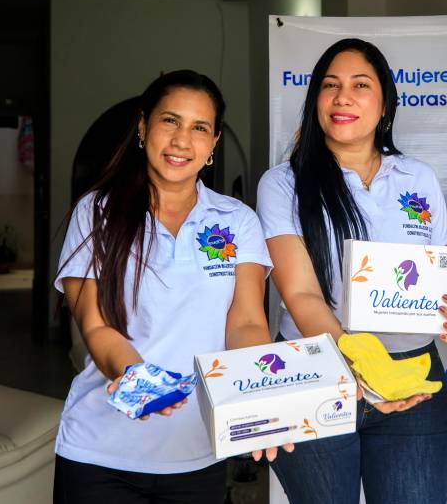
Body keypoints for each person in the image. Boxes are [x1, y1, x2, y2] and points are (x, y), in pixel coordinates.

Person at [53, 70, 286, 503]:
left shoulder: (238, 221)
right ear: (143, 128)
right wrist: (137, 378)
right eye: (170, 121)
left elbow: (247, 324)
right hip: (100, 455)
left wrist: (261, 402)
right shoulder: (97, 212)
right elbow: (95, 327)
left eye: (200, 128)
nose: (182, 140)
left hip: (198, 454)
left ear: (214, 143)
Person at [257, 38, 447, 504]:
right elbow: (300, 293)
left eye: (360, 85)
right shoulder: (284, 184)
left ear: (384, 103)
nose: (343, 97)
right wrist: (360, 364)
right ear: (315, 99)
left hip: (411, 379)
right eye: (330, 86)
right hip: (315, 372)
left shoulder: (418, 178)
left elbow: (443, 272)